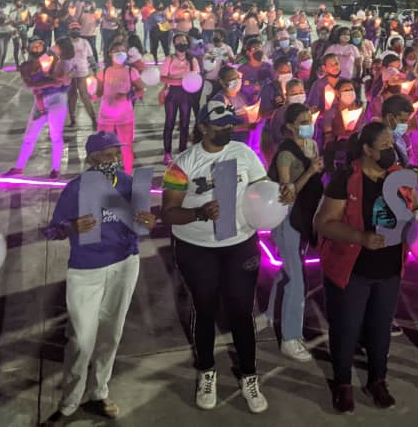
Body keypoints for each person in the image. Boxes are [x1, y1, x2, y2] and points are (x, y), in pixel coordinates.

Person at [160, 101, 272, 414]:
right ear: (203, 128)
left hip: (239, 244)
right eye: (220, 125)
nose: (228, 129)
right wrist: (198, 212)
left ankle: (249, 375)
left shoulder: (244, 153)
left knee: (241, 311)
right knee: (205, 309)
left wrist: (279, 195)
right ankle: (206, 371)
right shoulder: (183, 164)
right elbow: (167, 212)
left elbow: (261, 189)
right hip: (197, 249)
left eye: (230, 124)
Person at [44, 132, 156, 422]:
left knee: (111, 334)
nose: (114, 159)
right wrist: (71, 226)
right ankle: (69, 400)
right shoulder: (76, 189)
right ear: (92, 158)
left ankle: (99, 392)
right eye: (107, 155)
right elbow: (51, 230)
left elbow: (143, 221)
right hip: (86, 269)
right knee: (81, 340)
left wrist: (150, 221)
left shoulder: (130, 183)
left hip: (125, 264)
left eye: (117, 153)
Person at [314, 122, 415, 413]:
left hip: (389, 269)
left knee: (380, 329)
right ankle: (343, 383)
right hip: (351, 269)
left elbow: (414, 208)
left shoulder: (400, 177)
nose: (390, 150)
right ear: (368, 150)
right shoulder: (346, 178)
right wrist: (361, 238)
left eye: (392, 144)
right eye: (384, 146)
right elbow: (323, 223)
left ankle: (377, 380)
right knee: (346, 329)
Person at [263, 103, 324, 362]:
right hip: (288, 219)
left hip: (306, 217)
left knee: (290, 268)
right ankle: (290, 337)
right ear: (289, 126)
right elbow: (287, 193)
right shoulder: (285, 154)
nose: (308, 123)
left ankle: (268, 315)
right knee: (297, 279)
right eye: (302, 120)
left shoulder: (312, 146)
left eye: (309, 118)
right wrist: (310, 171)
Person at [5, 38, 70, 179]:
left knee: (56, 135)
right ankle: (19, 167)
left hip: (57, 99)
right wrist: (49, 83)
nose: (37, 47)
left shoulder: (55, 61)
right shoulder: (26, 66)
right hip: (39, 101)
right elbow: (31, 85)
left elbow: (63, 83)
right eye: (34, 45)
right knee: (29, 135)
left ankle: (56, 168)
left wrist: (42, 83)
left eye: (40, 44)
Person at [93, 39, 144, 174]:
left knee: (126, 148)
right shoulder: (103, 72)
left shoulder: (131, 71)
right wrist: (91, 90)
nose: (120, 54)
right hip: (105, 117)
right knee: (103, 148)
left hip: (125, 117)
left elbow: (140, 90)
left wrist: (128, 95)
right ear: (110, 54)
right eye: (116, 51)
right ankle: (105, 175)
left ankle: (127, 174)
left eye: (122, 51)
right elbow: (97, 94)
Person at [160, 33, 203, 164]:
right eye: (179, 41)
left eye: (184, 41)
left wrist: (177, 80)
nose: (182, 43)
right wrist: (180, 80)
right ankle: (167, 152)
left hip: (186, 94)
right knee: (169, 123)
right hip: (172, 94)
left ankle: (182, 151)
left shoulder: (192, 60)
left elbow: (196, 77)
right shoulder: (169, 59)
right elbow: (163, 77)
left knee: (185, 123)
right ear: (174, 44)